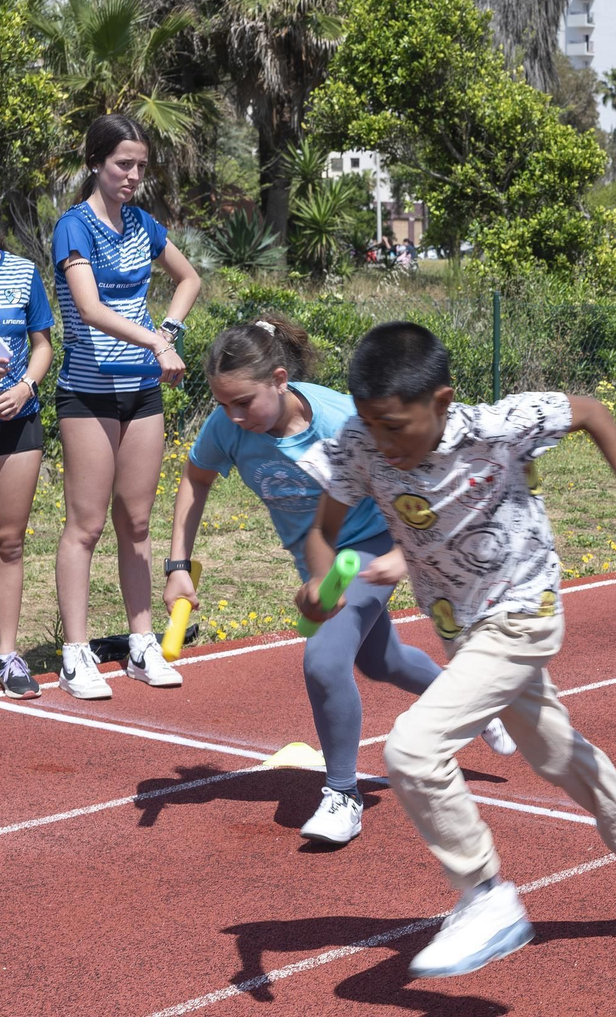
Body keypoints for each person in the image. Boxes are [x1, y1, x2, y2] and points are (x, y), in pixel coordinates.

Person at [297, 321, 616, 979]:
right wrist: (320, 582)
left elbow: (591, 412)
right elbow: (324, 528)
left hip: (523, 608)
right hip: (459, 624)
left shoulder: (498, 426)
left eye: (397, 425)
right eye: (372, 424)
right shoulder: (361, 441)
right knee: (550, 748)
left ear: (442, 401)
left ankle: (485, 896)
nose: (383, 442)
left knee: (413, 750)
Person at [164, 315, 516, 844]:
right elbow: (195, 479)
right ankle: (471, 700)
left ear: (280, 380)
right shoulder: (228, 427)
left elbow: (422, 477)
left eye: (244, 403)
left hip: (369, 546)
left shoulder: (341, 422)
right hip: (319, 558)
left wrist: (405, 551)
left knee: (325, 659)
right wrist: (177, 566)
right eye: (222, 405)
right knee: (381, 660)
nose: (233, 417)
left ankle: (342, 794)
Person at [51, 114, 200, 700]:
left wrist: (168, 325)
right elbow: (87, 308)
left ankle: (141, 644)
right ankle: (74, 654)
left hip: (141, 390)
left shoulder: (143, 224)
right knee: (85, 525)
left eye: (141, 165)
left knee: (136, 523)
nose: (134, 176)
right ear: (96, 163)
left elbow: (187, 279)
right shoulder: (74, 227)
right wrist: (158, 342)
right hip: (87, 393)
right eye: (123, 165)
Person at [0, 187, 52, 707]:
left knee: (10, 542)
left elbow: (42, 344)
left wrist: (26, 387)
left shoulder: (22, 274)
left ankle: (7, 655)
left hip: (18, 422)